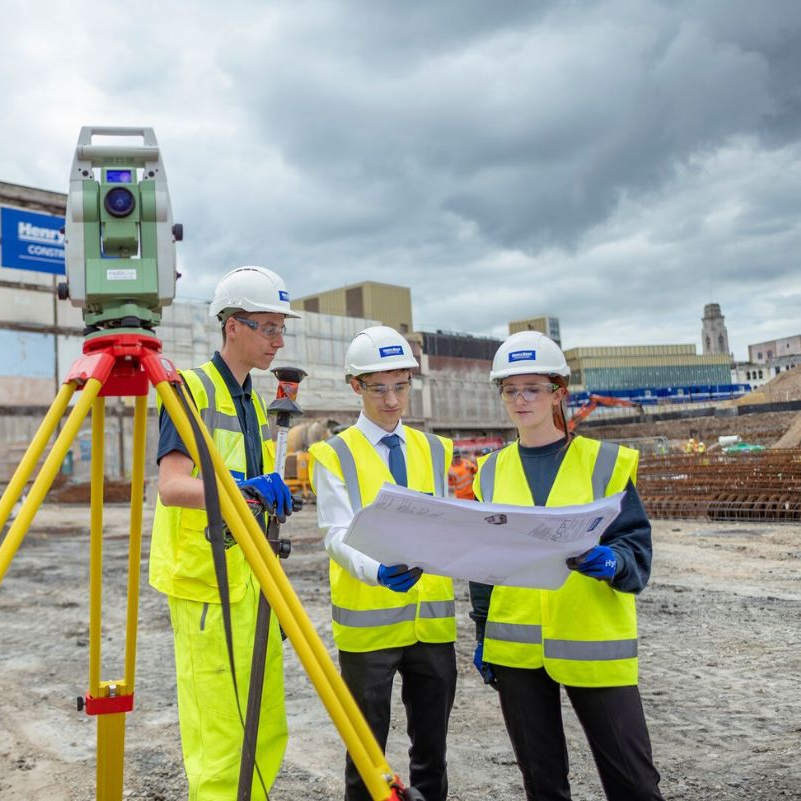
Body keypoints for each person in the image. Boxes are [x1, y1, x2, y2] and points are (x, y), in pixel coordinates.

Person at [469, 331, 664, 801]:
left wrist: (613, 561)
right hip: (515, 649)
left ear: (559, 393)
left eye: (532, 388)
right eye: (510, 390)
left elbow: (636, 545)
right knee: (542, 784)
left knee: (634, 784)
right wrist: (482, 636)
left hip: (593, 643)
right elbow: (483, 563)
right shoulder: (490, 470)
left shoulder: (605, 463)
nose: (520, 400)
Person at [148, 265, 299, 800]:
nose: (277, 341)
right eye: (268, 327)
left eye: (282, 329)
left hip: (253, 579)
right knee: (219, 735)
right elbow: (171, 486)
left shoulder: (254, 402)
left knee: (265, 723)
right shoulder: (189, 390)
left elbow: (248, 494)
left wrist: (266, 492)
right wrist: (241, 486)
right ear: (232, 325)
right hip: (206, 584)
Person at [309, 326, 456, 801]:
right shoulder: (334, 454)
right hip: (368, 632)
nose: (392, 400)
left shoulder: (434, 449)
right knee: (367, 757)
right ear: (356, 386)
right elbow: (335, 533)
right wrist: (376, 572)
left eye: (401, 386)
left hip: (432, 628)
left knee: (432, 754)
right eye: (379, 389)